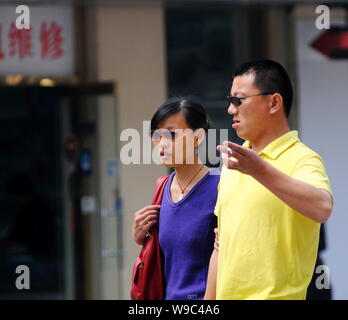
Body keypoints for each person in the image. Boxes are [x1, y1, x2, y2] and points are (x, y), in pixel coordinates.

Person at [204, 60, 333, 300]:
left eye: (238, 100)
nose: (231, 110)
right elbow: (220, 246)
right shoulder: (233, 163)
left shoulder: (302, 158)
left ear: (274, 102)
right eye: (230, 101)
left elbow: (322, 207)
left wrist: (259, 170)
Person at [132, 97, 220, 300]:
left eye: (171, 134)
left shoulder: (221, 186)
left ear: (198, 137)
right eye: (156, 135)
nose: (162, 144)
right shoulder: (162, 188)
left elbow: (225, 254)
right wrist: (141, 237)